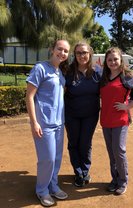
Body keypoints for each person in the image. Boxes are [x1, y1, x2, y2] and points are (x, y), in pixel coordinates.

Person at [26, 40, 70, 207]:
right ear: (52, 49)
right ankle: (42, 190)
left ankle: (53, 185)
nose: (62, 53)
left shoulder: (60, 73)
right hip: (44, 124)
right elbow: (29, 96)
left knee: (57, 158)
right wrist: (34, 122)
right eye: (60, 49)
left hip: (59, 123)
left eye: (66, 51)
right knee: (47, 159)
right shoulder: (40, 68)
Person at [100, 47, 133, 195]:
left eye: (115, 59)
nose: (113, 62)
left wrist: (127, 106)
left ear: (121, 60)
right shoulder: (104, 77)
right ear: (106, 62)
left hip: (120, 120)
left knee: (119, 151)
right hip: (106, 120)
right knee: (111, 152)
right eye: (109, 60)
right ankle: (114, 180)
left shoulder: (126, 76)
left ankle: (123, 181)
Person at [64, 41, 101, 187]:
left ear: (90, 54)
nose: (82, 56)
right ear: (75, 55)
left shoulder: (98, 71)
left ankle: (85, 171)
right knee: (74, 143)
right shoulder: (68, 71)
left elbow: (109, 89)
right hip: (71, 114)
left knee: (85, 143)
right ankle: (78, 172)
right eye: (78, 53)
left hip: (90, 115)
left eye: (84, 52)